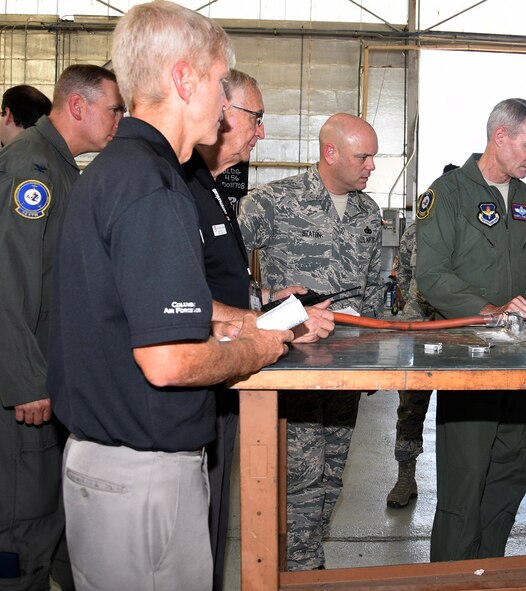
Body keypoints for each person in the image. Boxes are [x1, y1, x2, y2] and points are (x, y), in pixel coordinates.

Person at [47, 3, 299, 589]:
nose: (223, 99)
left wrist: (240, 324)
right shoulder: (153, 189)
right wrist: (258, 347)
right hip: (143, 481)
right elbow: (170, 361)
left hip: (107, 468)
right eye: (219, 83)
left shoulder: (114, 172)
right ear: (185, 80)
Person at [184, 68, 334, 590]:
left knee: (211, 525)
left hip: (221, 377)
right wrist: (281, 326)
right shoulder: (180, 189)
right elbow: (184, 303)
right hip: (196, 379)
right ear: (222, 112)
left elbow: (222, 289)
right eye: (257, 117)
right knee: (190, 534)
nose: (261, 132)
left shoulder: (211, 189)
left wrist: (277, 305)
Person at [238, 112, 384, 570]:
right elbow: (214, 270)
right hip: (293, 365)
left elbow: (374, 289)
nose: (372, 167)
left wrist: (373, 361)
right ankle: (301, 569)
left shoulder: (368, 212)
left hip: (347, 368)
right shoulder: (271, 202)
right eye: (364, 157)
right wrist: (262, 305)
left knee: (334, 475)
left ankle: (303, 557)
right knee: (300, 476)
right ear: (330, 152)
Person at [0, 64, 123, 591]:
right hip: (28, 386)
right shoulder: (32, 166)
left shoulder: (65, 166)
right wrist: (27, 379)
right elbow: (8, 281)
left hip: (54, 377)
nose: (121, 119)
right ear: (78, 106)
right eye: (114, 109)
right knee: (24, 522)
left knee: (57, 515)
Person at [416, 98, 526, 561]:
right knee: (466, 476)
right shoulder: (448, 193)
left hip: (518, 355)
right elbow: (431, 277)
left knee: (511, 471)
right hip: (469, 354)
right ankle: (452, 574)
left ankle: (488, 568)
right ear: (500, 137)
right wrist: (489, 310)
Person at [386, 163, 457, 510]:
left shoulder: (470, 231)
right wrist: (413, 309)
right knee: (411, 404)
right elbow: (404, 275)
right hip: (419, 328)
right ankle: (405, 476)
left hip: (458, 328)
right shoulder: (417, 230)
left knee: (462, 409)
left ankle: (458, 481)